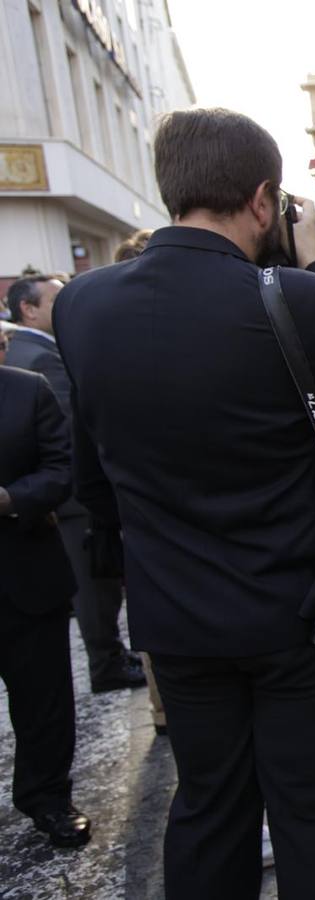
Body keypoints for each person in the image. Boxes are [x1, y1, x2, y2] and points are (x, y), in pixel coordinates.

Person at [51, 107, 315, 898]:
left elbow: (90, 467)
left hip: (178, 623)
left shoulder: (82, 305)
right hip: (304, 622)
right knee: (313, 819)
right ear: (262, 199)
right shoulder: (295, 299)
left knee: (209, 809)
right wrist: (313, 268)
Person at [4, 276, 145, 693]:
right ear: (28, 309)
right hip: (66, 500)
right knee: (93, 589)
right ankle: (107, 661)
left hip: (55, 497)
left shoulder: (33, 351)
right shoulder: (38, 358)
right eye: (55, 298)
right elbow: (70, 430)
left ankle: (110, 657)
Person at [0, 365, 91, 848]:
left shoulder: (26, 390)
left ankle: (48, 799)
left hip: (25, 574)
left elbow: (62, 470)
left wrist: (11, 498)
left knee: (43, 702)